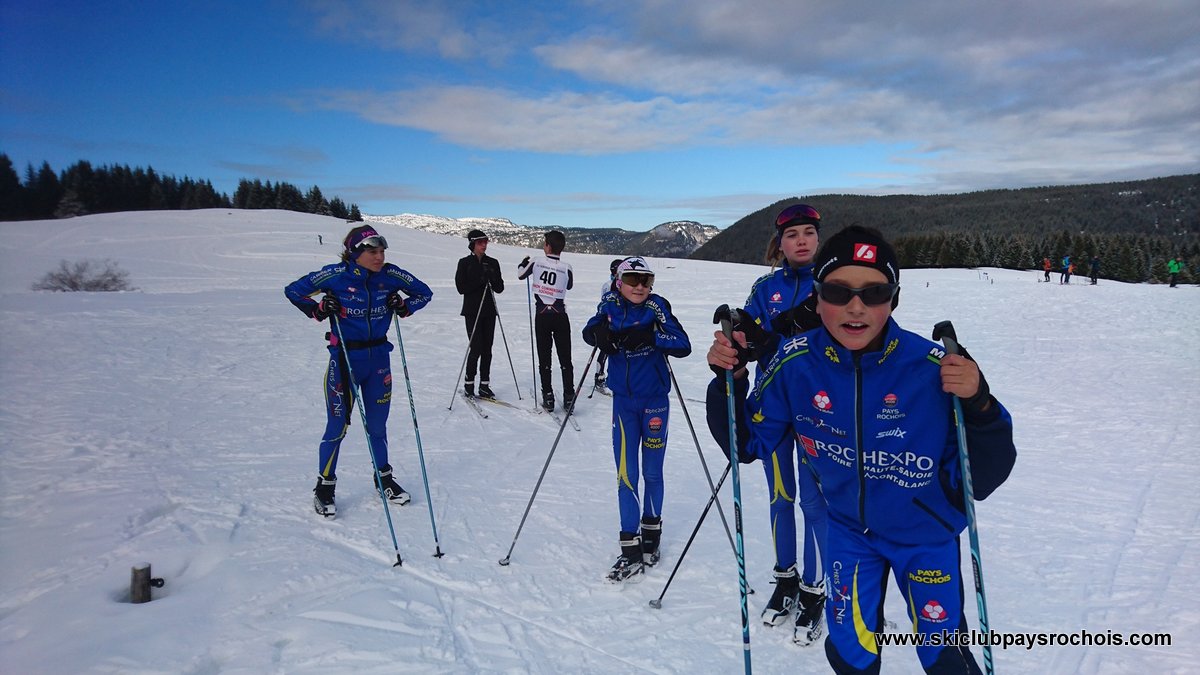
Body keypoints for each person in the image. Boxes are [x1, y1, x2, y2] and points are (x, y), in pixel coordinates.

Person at [707, 225, 1016, 674]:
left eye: (874, 292)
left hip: (926, 535)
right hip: (849, 534)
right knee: (852, 654)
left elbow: (983, 477)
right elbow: (747, 445)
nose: (856, 307)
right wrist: (730, 383)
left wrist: (980, 404)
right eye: (838, 291)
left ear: (894, 298)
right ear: (817, 297)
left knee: (944, 654)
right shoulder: (794, 363)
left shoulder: (932, 367)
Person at [720, 202, 829, 644]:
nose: (801, 240)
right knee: (781, 496)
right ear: (779, 243)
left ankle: (814, 589)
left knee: (816, 504)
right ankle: (785, 580)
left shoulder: (834, 284)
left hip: (819, 408)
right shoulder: (766, 287)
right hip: (772, 405)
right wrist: (739, 337)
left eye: (808, 232)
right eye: (792, 235)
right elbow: (754, 340)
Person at [285, 225, 434, 518]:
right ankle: (324, 487)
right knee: (337, 426)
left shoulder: (390, 275)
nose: (379, 257)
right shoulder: (335, 275)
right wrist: (318, 309)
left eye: (381, 251)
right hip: (345, 359)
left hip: (379, 358)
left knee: (378, 426)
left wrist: (402, 306)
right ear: (355, 253)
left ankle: (384, 479)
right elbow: (294, 290)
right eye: (372, 251)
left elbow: (424, 293)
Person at [582, 256, 691, 583]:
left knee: (652, 472)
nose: (640, 286)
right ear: (619, 280)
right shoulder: (610, 304)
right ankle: (630, 547)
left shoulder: (656, 307)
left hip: (655, 402)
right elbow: (591, 330)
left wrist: (650, 337)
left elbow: (683, 343)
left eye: (646, 279)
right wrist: (599, 334)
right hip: (624, 404)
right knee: (626, 474)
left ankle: (652, 535)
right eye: (632, 279)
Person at [517, 230, 576, 412]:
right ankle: (569, 397)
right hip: (560, 315)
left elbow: (521, 274)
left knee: (545, 358)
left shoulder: (536, 260)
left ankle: (548, 396)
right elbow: (569, 285)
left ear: (548, 246)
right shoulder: (567, 267)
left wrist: (523, 263)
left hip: (542, 315)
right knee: (565, 357)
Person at [455, 229, 505, 398]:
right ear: (472, 244)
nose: (484, 245)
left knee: (487, 348)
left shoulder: (493, 262)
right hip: (472, 311)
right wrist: (480, 280)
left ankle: (484, 385)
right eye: (480, 242)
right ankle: (469, 385)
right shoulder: (464, 263)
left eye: (485, 242)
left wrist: (492, 276)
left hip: (489, 311)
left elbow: (499, 288)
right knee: (475, 347)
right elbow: (461, 288)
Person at [593, 258, 624, 393]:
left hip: (619, 321)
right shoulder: (609, 285)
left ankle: (612, 378)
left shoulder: (618, 283)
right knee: (605, 349)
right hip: (609, 321)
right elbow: (605, 303)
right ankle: (599, 377)